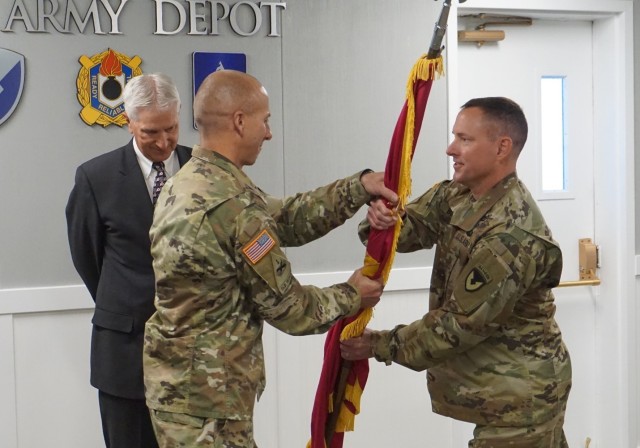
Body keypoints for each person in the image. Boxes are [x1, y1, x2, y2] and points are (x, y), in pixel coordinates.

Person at [142, 69, 397, 447]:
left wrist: (356, 188)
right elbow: (291, 310)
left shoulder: (192, 181)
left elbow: (286, 218)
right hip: (210, 406)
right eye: (266, 121)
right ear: (240, 122)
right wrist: (352, 294)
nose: (269, 133)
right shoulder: (231, 204)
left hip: (185, 390)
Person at [341, 97, 572, 447]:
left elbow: (456, 327)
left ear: (501, 148)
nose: (451, 149)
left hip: (520, 401)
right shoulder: (458, 194)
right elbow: (409, 230)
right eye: (455, 137)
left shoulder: (510, 236)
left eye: (465, 139)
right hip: (497, 393)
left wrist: (378, 344)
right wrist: (382, 222)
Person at [65, 73, 192, 448]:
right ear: (129, 122)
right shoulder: (95, 177)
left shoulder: (203, 168)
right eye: (150, 132)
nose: (164, 142)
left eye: (171, 128)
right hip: (125, 352)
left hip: (194, 352)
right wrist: (123, 302)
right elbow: (87, 257)